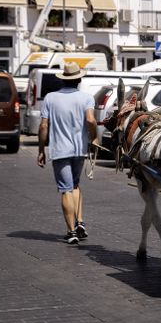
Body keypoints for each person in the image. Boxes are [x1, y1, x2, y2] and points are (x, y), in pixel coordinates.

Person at [37, 62, 98, 244]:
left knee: (65, 189)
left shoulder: (50, 98)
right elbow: (90, 120)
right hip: (79, 149)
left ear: (63, 80)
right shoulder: (87, 98)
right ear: (79, 79)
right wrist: (94, 138)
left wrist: (41, 149)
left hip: (60, 150)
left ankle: (71, 232)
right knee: (76, 185)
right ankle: (80, 222)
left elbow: (43, 125)